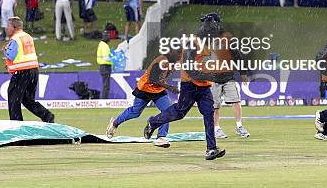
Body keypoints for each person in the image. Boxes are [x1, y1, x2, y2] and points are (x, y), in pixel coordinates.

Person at [143, 13, 226, 160]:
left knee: (209, 114)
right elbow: (189, 68)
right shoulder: (194, 42)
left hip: (204, 86)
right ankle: (153, 122)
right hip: (190, 84)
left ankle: (211, 149)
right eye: (216, 25)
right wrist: (210, 76)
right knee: (179, 113)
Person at [107, 49, 182, 148]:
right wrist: (170, 87)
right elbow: (152, 79)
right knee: (135, 112)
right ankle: (115, 123)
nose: (180, 57)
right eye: (179, 54)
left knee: (167, 111)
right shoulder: (161, 61)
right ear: (172, 53)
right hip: (145, 88)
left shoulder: (175, 61)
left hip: (158, 90)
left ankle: (161, 137)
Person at [3, 16, 55, 123]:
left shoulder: (15, 39)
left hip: (22, 72)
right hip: (33, 71)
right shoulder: (27, 36)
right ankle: (46, 115)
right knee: (27, 99)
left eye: (8, 26)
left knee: (13, 98)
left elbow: (11, 55)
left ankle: (16, 124)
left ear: (14, 27)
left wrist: (4, 50)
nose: (6, 28)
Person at [207, 13, 250, 139]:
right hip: (213, 77)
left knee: (236, 101)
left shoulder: (226, 37)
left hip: (227, 76)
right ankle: (216, 128)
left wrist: (242, 73)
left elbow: (237, 55)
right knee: (214, 105)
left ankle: (239, 126)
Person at [96, 31, 113, 99]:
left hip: (103, 67)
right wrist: (114, 58)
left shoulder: (101, 44)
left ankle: (103, 99)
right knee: (106, 85)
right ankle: (104, 100)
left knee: (105, 85)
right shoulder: (105, 46)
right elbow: (107, 58)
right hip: (105, 66)